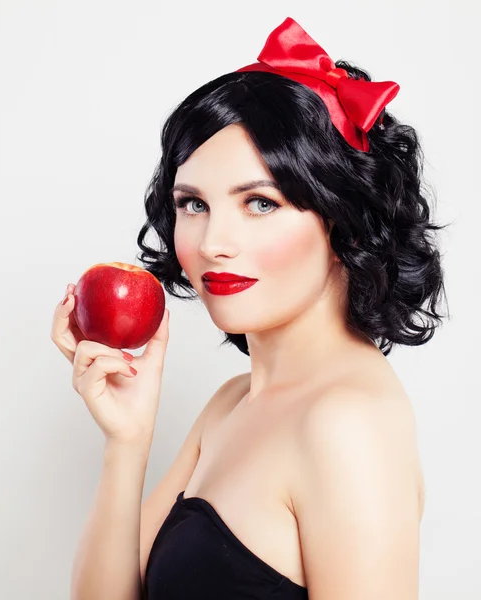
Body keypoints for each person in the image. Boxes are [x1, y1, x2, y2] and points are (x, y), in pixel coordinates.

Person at [51, 17, 449, 600]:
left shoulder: (346, 424)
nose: (213, 242)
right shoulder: (234, 401)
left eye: (260, 203)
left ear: (345, 222)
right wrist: (127, 443)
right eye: (193, 204)